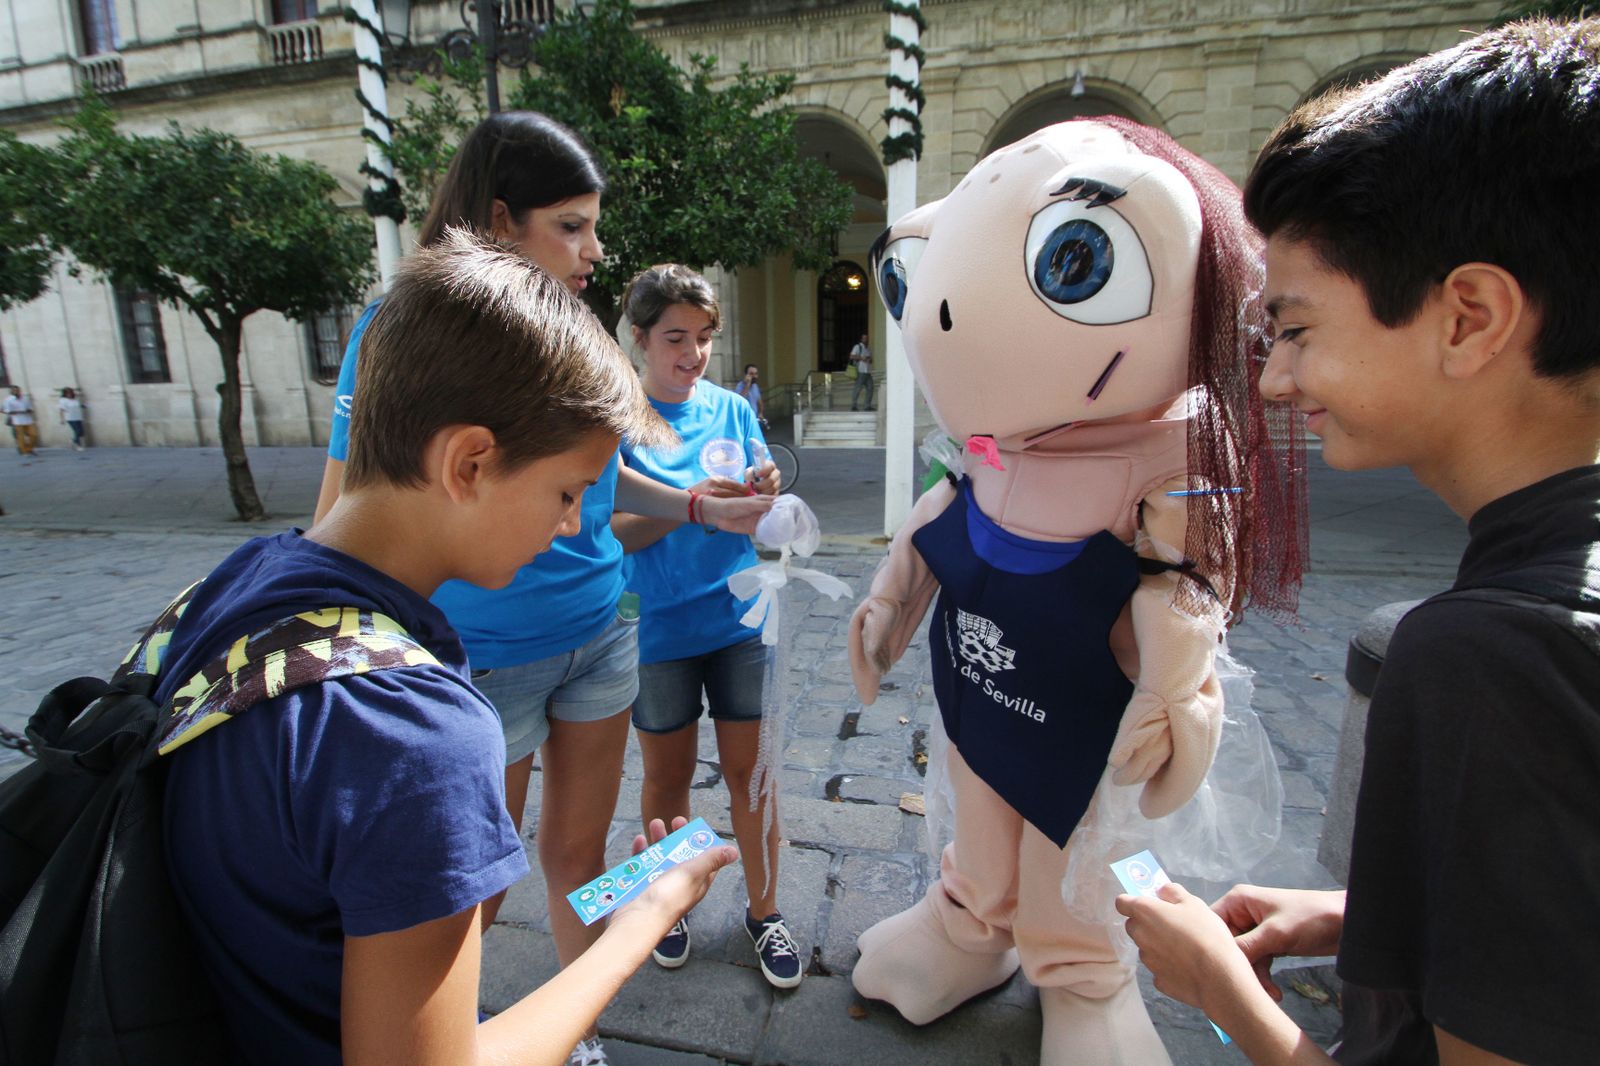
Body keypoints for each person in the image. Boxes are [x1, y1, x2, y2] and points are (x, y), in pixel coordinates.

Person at [1116, 18, 1600, 1066]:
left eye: (1295, 330)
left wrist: (1223, 994)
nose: (1273, 380)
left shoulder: (1487, 658)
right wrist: (1364, 915)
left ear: (1469, 317)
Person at [162, 230, 739, 1066]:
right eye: (567, 492)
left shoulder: (235, 584)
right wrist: (641, 922)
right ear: (468, 462)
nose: (571, 525)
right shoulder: (416, 738)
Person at [311, 112, 773, 1066]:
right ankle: (465, 1032)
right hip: (483, 657)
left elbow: (596, 479)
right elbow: (344, 515)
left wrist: (695, 505)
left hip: (600, 631)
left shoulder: (568, 325)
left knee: (578, 855)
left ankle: (577, 1037)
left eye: (594, 226)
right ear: (497, 219)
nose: (594, 251)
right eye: (571, 225)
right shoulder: (405, 333)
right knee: (466, 892)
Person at [611, 264, 801, 990]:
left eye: (704, 337)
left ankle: (765, 912)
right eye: (675, 338)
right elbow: (610, 531)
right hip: (656, 629)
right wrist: (687, 504)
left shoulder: (730, 409)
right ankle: (667, 903)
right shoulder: (618, 420)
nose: (693, 354)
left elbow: (760, 505)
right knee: (668, 777)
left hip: (738, 619)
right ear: (639, 338)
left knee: (754, 777)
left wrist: (763, 489)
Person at [4, 386, 37, 456]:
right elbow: (8, 411)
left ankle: (29, 448)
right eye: (14, 390)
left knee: (34, 435)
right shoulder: (8, 400)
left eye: (17, 390)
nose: (16, 392)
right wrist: (19, 411)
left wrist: (28, 410)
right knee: (21, 437)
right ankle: (24, 451)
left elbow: (30, 408)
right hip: (17, 421)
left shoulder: (25, 398)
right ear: (12, 392)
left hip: (28, 420)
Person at [848, 333, 874, 410]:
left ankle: (867, 406)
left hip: (867, 372)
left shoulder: (868, 348)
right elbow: (851, 356)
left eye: (867, 338)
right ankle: (854, 405)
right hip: (860, 371)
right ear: (861, 339)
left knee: (870, 388)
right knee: (858, 389)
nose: (866, 340)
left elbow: (871, 360)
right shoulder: (858, 347)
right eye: (864, 338)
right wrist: (861, 358)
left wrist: (869, 360)